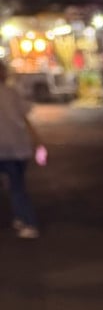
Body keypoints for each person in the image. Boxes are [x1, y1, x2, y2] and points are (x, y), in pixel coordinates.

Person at [0, 61, 43, 240]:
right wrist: (37, 140)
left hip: (3, 149)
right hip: (19, 146)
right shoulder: (12, 92)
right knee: (18, 186)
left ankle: (28, 222)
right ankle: (23, 218)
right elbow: (25, 116)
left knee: (15, 188)